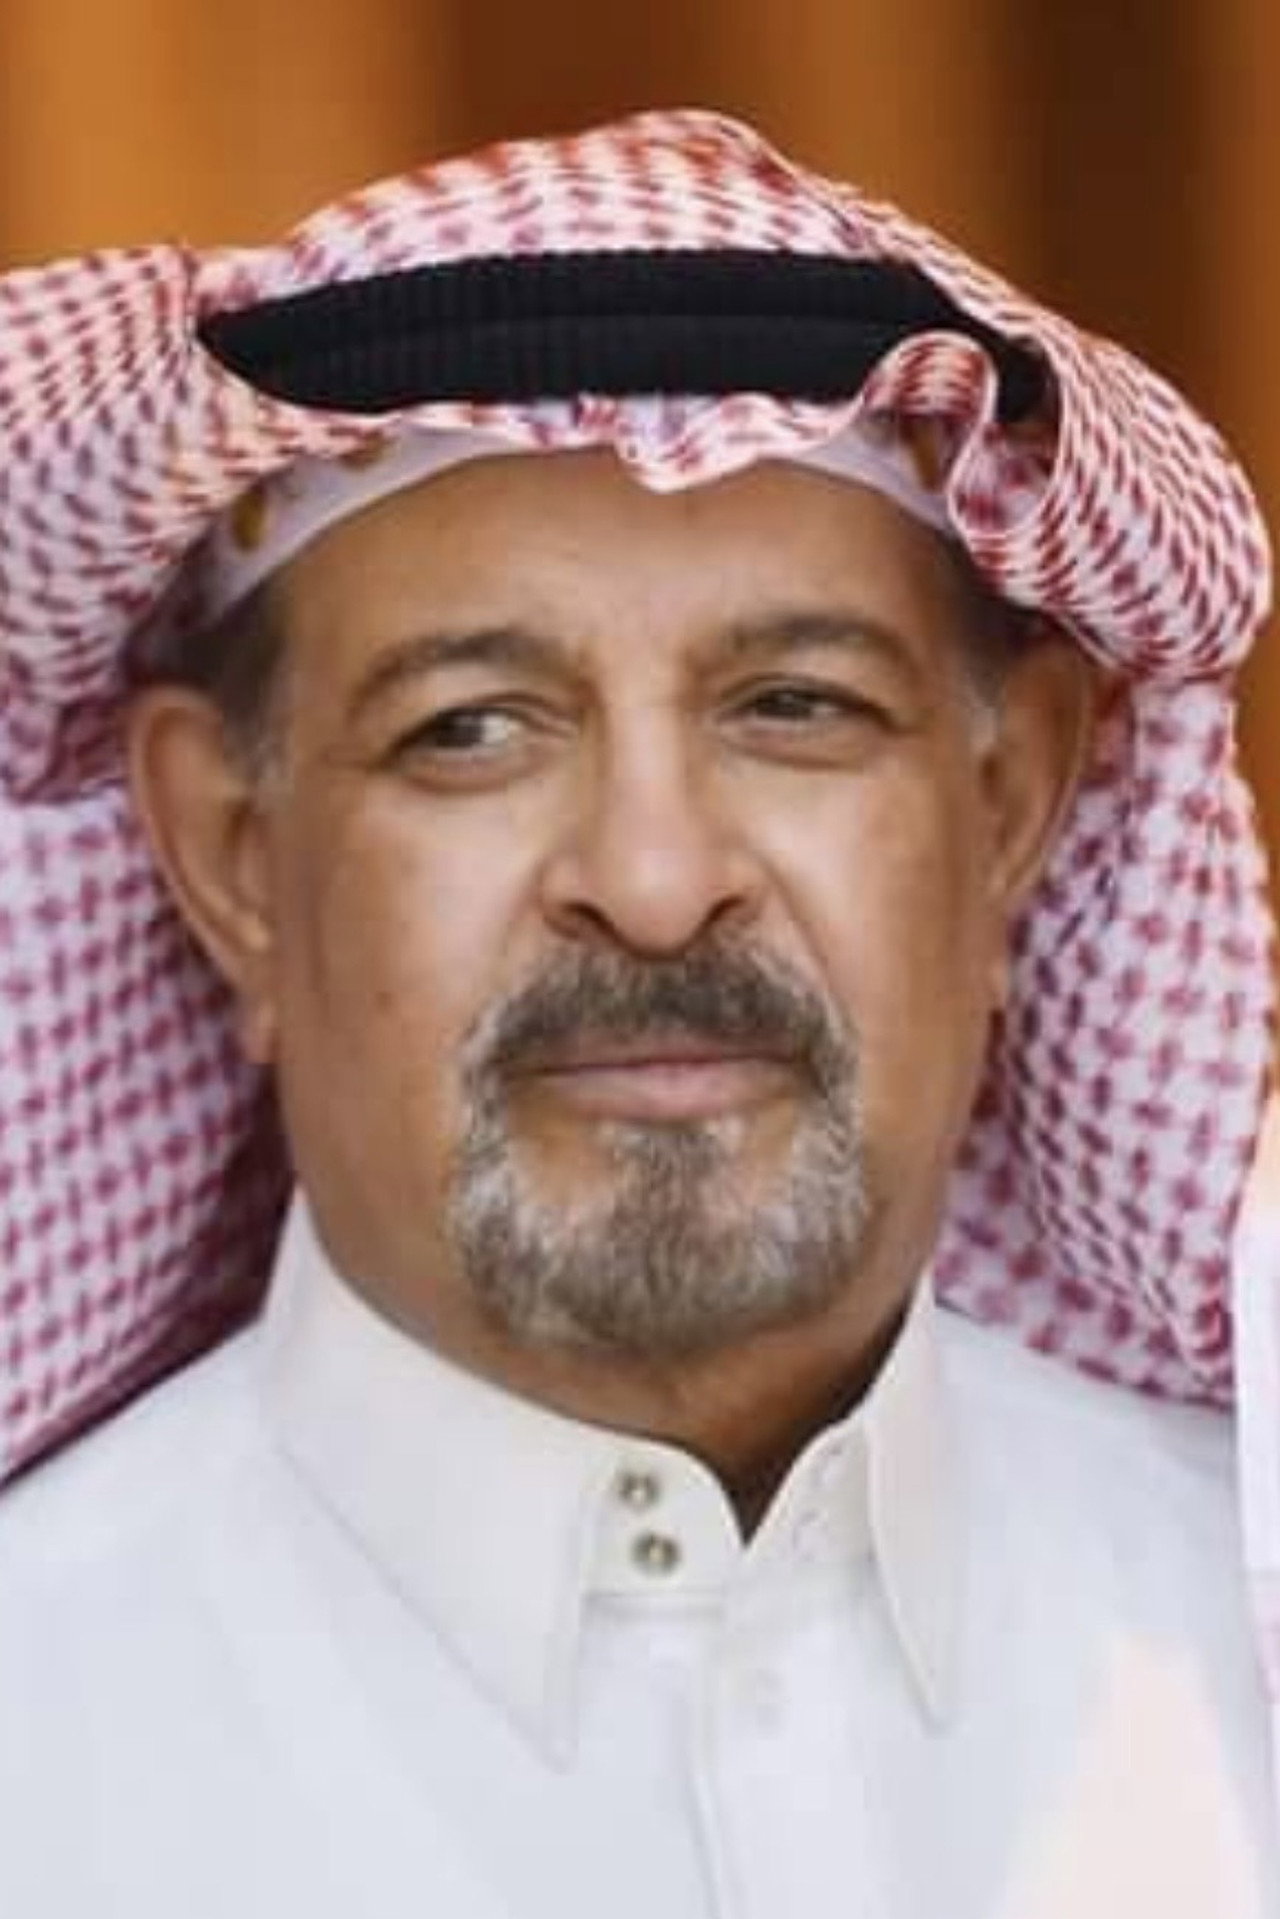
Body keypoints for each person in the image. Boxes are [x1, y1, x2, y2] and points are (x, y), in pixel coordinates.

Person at [0, 109, 1277, 1916]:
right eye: (470, 730)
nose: (658, 883)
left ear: (1011, 807)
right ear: (230, 857)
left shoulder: (1235, 1628)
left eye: (797, 706)